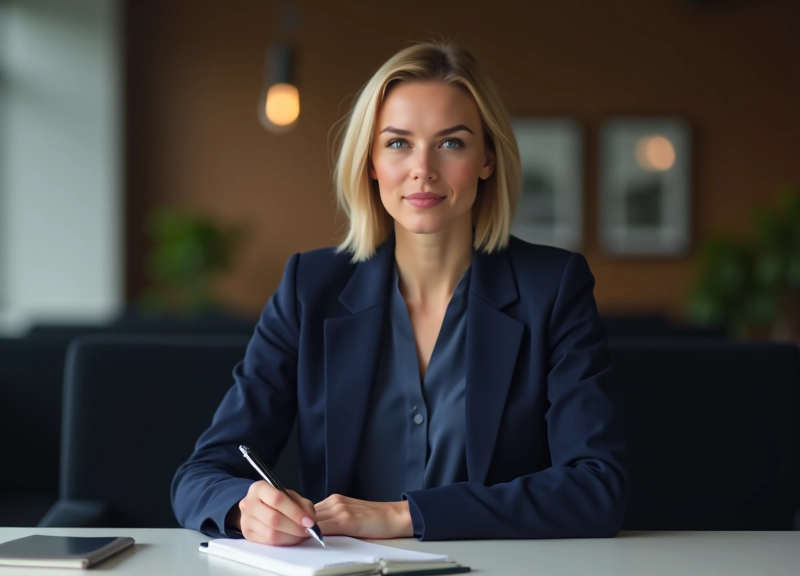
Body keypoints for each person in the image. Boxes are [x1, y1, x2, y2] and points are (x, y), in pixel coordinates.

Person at [171, 41, 627, 543]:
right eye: (397, 143)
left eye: (451, 143)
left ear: (487, 159)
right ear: (369, 161)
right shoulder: (310, 288)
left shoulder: (553, 288)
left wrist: (402, 516)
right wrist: (244, 508)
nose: (422, 168)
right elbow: (200, 477)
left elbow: (596, 489)